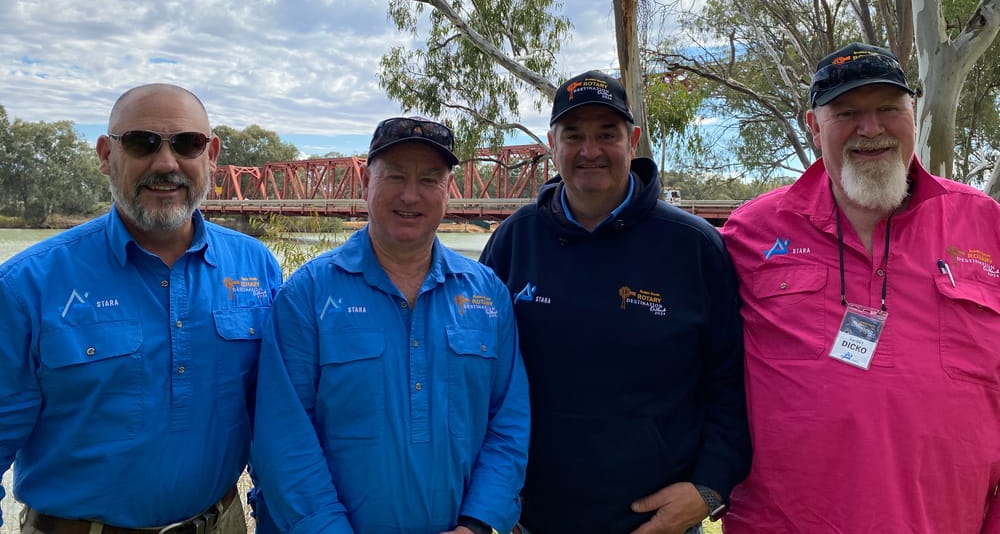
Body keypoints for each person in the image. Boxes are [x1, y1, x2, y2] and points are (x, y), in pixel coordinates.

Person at [721, 42, 1000, 533]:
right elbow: (695, 374)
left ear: (913, 113)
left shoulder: (986, 225)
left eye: (889, 108)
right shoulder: (749, 234)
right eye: (848, 113)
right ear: (814, 126)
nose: (871, 129)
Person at [0, 84, 282, 534]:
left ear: (211, 156)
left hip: (221, 522)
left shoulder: (257, 267)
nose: (166, 163)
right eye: (142, 142)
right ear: (106, 155)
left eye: (187, 144)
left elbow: (276, 418)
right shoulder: (26, 285)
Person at [480, 71, 751, 534]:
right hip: (531, 520)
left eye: (607, 134)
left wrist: (709, 486)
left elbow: (732, 384)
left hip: (657, 523)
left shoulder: (694, 247)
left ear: (633, 141)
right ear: (552, 144)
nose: (590, 150)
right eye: (573, 135)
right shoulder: (515, 239)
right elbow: (478, 376)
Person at [252, 116, 530, 534]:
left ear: (448, 191)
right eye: (395, 176)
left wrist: (477, 524)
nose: (410, 194)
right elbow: (283, 438)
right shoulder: (306, 294)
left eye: (430, 179)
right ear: (366, 182)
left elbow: (509, 421)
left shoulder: (489, 294)